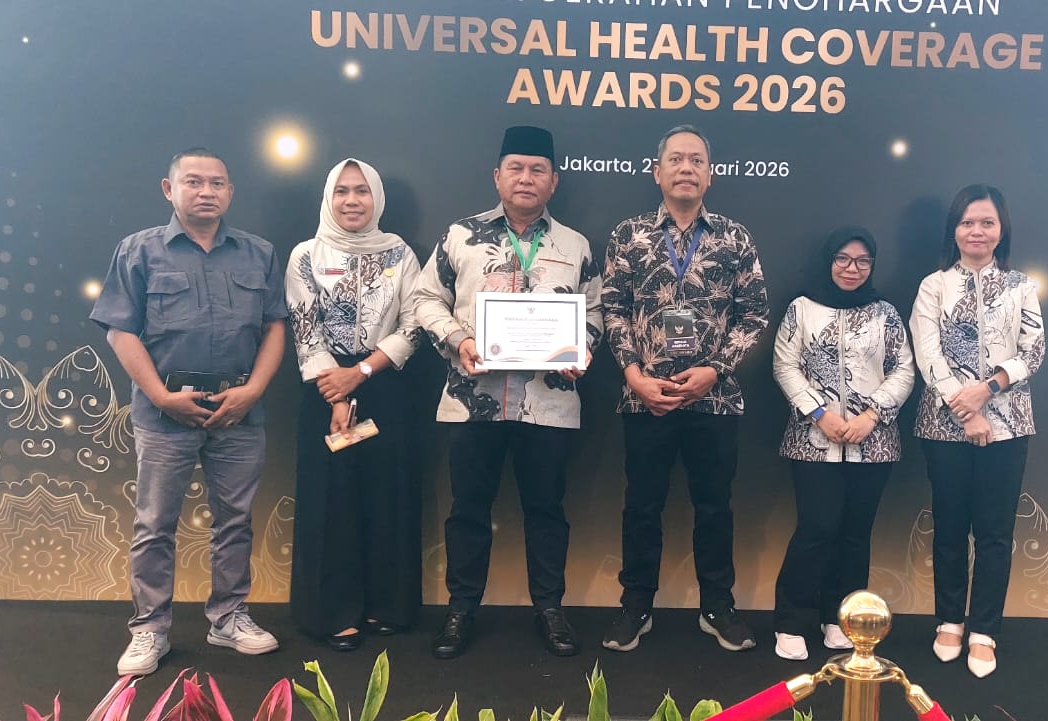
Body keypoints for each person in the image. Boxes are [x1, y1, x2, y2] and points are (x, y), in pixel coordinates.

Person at [91, 148, 286, 676]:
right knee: (155, 523)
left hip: (238, 410)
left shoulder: (258, 254)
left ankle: (229, 618)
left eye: (217, 183)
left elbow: (274, 326)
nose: (206, 192)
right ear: (169, 189)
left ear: (230, 192)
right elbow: (120, 330)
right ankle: (150, 629)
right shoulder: (138, 251)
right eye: (193, 181)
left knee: (235, 520)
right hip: (165, 413)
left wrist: (253, 391)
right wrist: (160, 396)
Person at [411, 126, 602, 659]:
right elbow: (425, 299)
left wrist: (582, 348)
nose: (526, 178)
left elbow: (596, 310)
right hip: (472, 401)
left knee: (547, 511)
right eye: (515, 168)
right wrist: (460, 339)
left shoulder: (574, 245)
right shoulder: (460, 236)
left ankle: (550, 609)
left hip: (549, 404)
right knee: (468, 510)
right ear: (497, 176)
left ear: (554, 181)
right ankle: (460, 610)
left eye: (538, 170)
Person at [600, 124, 769, 653]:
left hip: (713, 399)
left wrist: (714, 369)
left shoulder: (735, 237)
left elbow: (755, 315)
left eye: (696, 160)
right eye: (676, 159)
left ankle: (718, 606)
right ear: (657, 172)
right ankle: (635, 606)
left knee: (714, 507)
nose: (686, 168)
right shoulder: (628, 235)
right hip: (644, 397)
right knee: (641, 506)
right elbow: (613, 311)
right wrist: (633, 375)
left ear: (710, 175)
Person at [285, 158, 424, 652]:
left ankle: (387, 605)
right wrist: (338, 392)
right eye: (342, 191)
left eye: (362, 191)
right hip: (324, 392)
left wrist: (361, 373)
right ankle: (333, 613)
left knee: (387, 496)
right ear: (328, 197)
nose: (351, 200)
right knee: (332, 501)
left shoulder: (400, 253)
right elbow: (305, 328)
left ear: (377, 198)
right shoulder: (306, 254)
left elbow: (414, 325)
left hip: (384, 385)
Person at [910, 184, 1045, 678]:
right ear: (954, 229)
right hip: (943, 424)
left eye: (987, 222)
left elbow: (1033, 351)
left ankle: (984, 630)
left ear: (1001, 229)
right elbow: (927, 353)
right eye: (967, 222)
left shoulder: (1021, 286)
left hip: (1009, 425)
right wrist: (966, 410)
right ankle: (949, 620)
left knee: (994, 532)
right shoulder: (934, 286)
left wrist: (987, 389)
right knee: (949, 526)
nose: (977, 231)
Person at [769, 226, 915, 661]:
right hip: (814, 441)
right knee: (817, 527)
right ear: (829, 260)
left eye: (863, 261)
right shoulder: (802, 308)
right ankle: (791, 620)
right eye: (844, 259)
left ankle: (841, 617)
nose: (853, 269)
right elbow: (785, 365)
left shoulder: (885, 313)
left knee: (855, 534)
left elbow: (904, 369)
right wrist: (820, 414)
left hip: (873, 443)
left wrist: (871, 415)